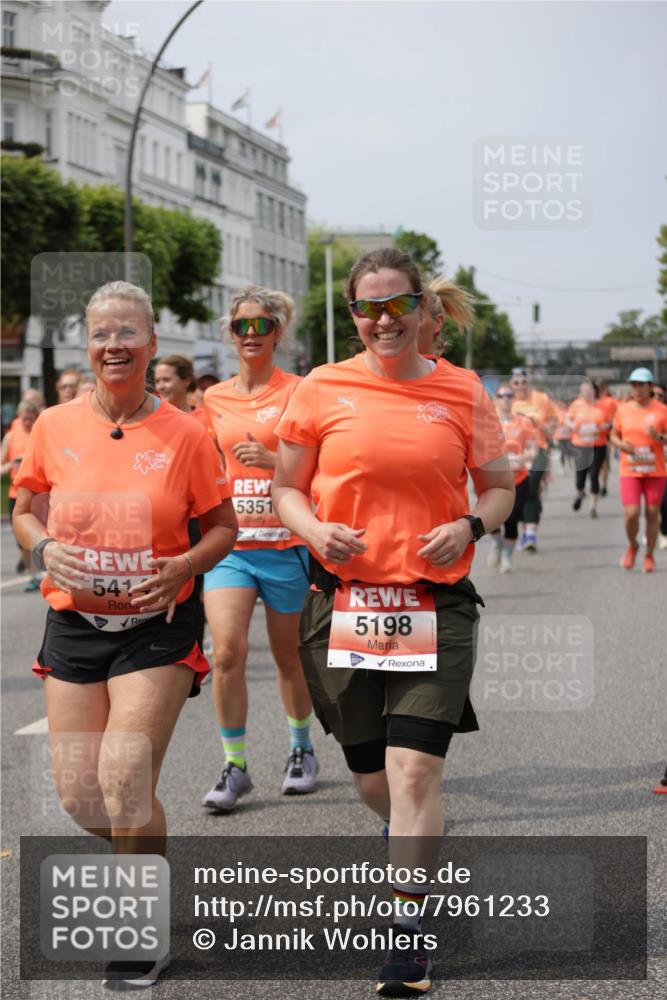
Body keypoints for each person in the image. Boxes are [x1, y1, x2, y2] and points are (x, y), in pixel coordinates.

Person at [272, 248, 514, 997]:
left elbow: (499, 486)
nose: (381, 321)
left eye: (394, 306)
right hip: (342, 602)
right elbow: (286, 488)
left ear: (420, 309)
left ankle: (406, 935)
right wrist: (313, 532)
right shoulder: (320, 388)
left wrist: (470, 526)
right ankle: (399, 836)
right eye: (365, 308)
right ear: (351, 314)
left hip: (432, 603)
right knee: (372, 777)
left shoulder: (460, 388)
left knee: (416, 770)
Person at [12, 280, 237, 989]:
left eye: (128, 333)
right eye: (102, 333)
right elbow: (25, 510)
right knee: (83, 797)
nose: (114, 345)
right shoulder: (52, 425)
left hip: (157, 624)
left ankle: (138, 918)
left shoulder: (187, 434)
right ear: (89, 341)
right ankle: (149, 863)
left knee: (124, 778)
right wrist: (43, 549)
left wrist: (186, 566)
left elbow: (224, 528)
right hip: (74, 621)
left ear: (151, 344)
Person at [202, 286, 319, 813]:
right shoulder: (213, 399)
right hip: (233, 547)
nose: (252, 334)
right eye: (242, 326)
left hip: (287, 545)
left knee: (288, 658)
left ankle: (301, 749)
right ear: (230, 335)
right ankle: (235, 764)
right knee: (225, 653)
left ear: (278, 332)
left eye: (263, 325)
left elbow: (325, 463)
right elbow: (205, 467)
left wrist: (275, 462)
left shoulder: (301, 390)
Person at [609, 368, 667, 572]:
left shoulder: (662, 410)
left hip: (655, 470)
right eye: (633, 385)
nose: (636, 389)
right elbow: (613, 434)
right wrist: (621, 445)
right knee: (632, 513)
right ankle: (633, 545)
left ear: (650, 386)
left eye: (641, 385)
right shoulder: (623, 409)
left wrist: (659, 438)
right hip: (630, 470)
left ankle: (649, 555)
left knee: (652, 514)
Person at [488, 383, 537, 573]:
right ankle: (496, 542)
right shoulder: (488, 423)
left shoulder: (524, 422)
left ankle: (507, 557)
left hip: (519, 478)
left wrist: (523, 457)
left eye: (509, 396)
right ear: (496, 399)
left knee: (512, 520)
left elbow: (533, 449)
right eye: (502, 396)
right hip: (493, 480)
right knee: (490, 518)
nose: (506, 399)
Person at [510, 367, 558, 552]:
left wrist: (547, 428)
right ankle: (526, 524)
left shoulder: (540, 399)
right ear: (512, 384)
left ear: (528, 383)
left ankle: (530, 533)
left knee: (531, 485)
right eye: (516, 382)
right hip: (515, 452)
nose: (520, 385)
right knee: (521, 491)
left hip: (539, 448)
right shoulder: (507, 401)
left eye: (523, 381)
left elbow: (554, 419)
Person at [1, 400, 41, 588]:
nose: (27, 423)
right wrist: (11, 465)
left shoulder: (40, 433)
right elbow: (1, 467)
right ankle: (31, 570)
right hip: (14, 493)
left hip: (36, 492)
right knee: (20, 539)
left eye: (31, 419)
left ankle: (34, 575)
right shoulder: (11, 437)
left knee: (34, 534)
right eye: (24, 419)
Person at [566, 380, 608, 518]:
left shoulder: (603, 406)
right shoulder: (576, 405)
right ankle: (580, 492)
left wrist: (602, 427)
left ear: (595, 391)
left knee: (594, 474)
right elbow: (567, 419)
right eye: (583, 390)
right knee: (580, 478)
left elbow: (610, 422)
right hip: (580, 446)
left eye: (589, 390)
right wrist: (572, 426)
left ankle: (592, 507)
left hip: (598, 445)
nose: (586, 393)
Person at [597, 379, 618, 497]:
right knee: (596, 464)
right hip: (594, 436)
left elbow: (618, 416)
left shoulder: (611, 401)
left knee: (604, 462)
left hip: (607, 435)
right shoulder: (592, 402)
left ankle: (604, 485)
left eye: (601, 387)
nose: (599, 390)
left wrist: (611, 424)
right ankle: (599, 483)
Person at [652, 384, 667, 549]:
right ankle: (652, 528)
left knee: (665, 503)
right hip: (651, 467)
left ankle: (663, 532)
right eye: (653, 395)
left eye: (660, 395)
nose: (657, 398)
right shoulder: (641, 415)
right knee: (653, 504)